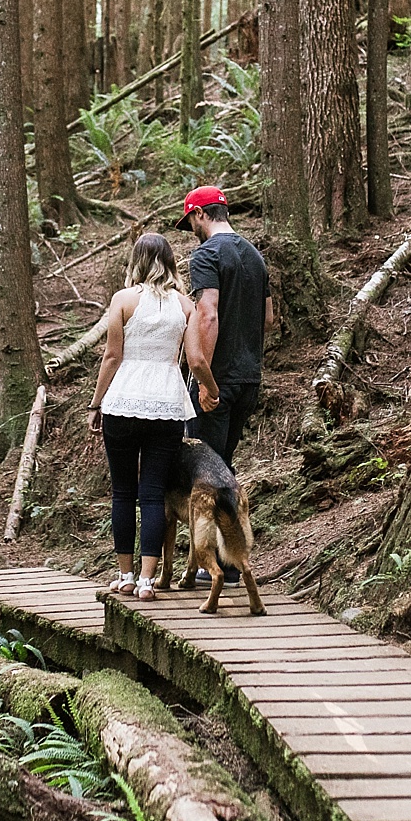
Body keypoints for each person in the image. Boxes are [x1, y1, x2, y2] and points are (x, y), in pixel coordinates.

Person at [88, 233, 212, 601]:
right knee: (154, 494)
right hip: (167, 405)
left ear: (136, 262)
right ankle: (147, 581)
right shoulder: (185, 306)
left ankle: (125, 576)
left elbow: (112, 356)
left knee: (123, 492)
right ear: (171, 263)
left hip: (123, 401)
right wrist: (211, 390)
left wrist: (96, 403)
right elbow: (194, 359)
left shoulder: (123, 300)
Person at [177, 185, 274, 471]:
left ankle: (213, 517)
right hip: (248, 380)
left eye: (191, 222)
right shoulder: (255, 255)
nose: (192, 228)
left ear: (199, 214)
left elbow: (208, 316)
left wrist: (206, 383)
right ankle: (231, 516)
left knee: (203, 469)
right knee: (223, 467)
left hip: (217, 379)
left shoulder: (206, 255)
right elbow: (268, 319)